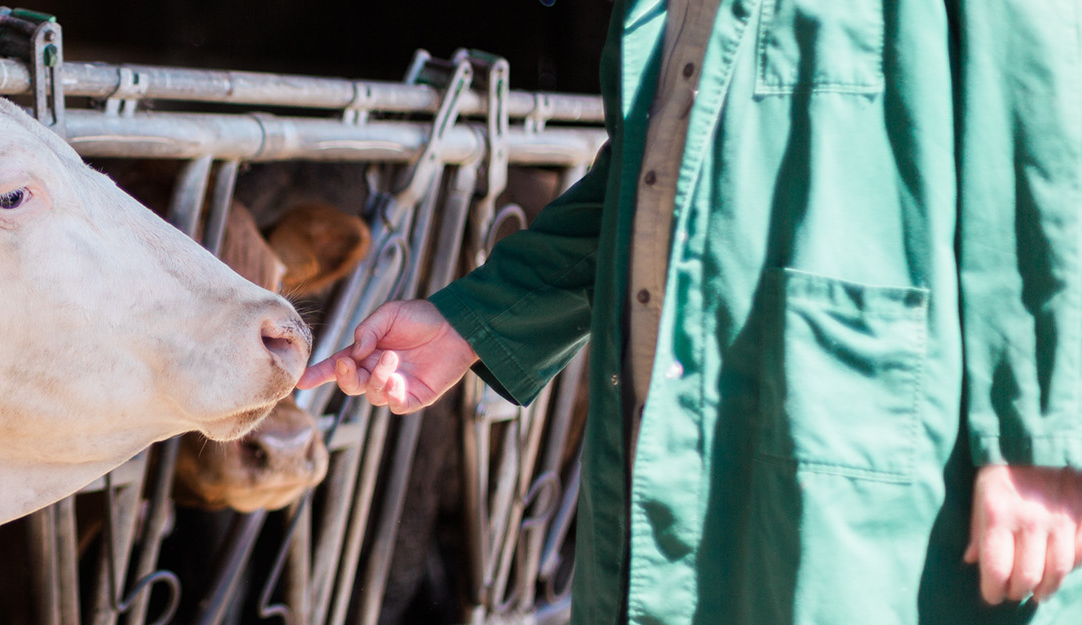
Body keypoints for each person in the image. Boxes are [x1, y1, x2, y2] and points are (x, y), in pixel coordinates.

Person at [297, 0, 1081, 623]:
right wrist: (475, 317)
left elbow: (1046, 125)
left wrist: (1041, 435)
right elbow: (654, 175)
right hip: (680, 434)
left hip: (879, 442)